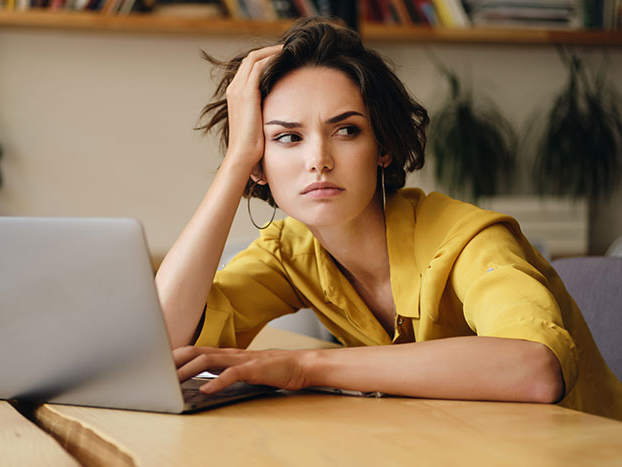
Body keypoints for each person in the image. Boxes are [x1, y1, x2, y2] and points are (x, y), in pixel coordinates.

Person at [155, 17, 622, 420]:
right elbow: (162, 343)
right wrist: (236, 163)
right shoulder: (290, 251)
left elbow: (535, 368)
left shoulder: (468, 239)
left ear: (383, 148)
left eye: (346, 130)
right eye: (287, 138)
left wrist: (305, 367)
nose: (318, 159)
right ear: (261, 162)